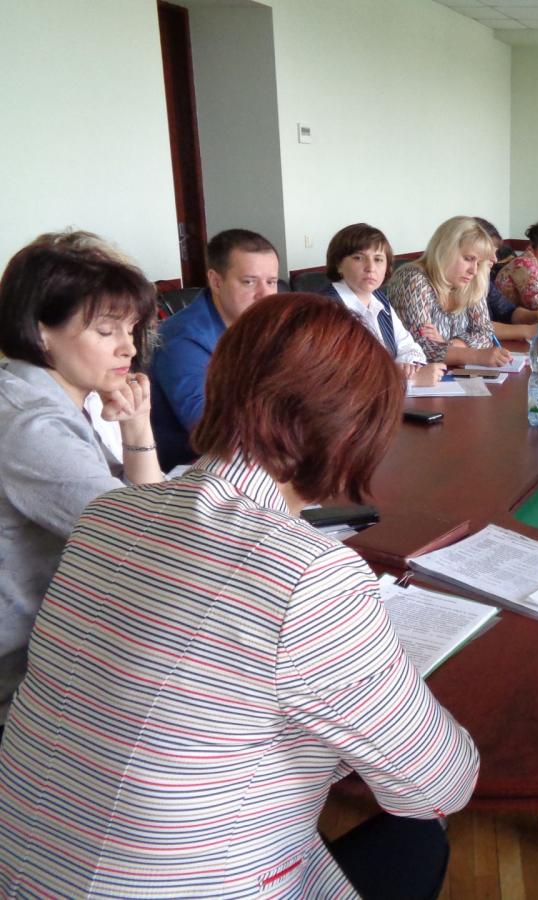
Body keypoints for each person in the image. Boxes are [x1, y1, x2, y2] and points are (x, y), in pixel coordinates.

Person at [0, 294, 480, 898]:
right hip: (175, 883)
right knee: (421, 838)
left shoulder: (109, 515)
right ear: (352, 438)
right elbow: (439, 784)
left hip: (23, 868)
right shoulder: (309, 575)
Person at [0, 232, 162, 734]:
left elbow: (145, 514)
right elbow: (146, 543)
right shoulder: (31, 424)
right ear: (41, 331)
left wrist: (136, 426)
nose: (128, 346)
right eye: (106, 330)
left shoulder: (50, 395)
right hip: (27, 674)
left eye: (131, 328)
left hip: (69, 635)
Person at [150, 228, 279, 469]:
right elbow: (210, 430)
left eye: (271, 282)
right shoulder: (182, 340)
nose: (264, 295)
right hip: (195, 470)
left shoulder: (262, 325)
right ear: (216, 281)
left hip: (257, 455)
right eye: (249, 282)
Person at [322, 222, 445, 386]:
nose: (371, 267)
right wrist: (409, 380)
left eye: (378, 259)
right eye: (358, 258)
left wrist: (408, 367)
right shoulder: (326, 309)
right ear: (338, 264)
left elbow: (410, 348)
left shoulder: (379, 299)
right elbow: (338, 376)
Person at [388, 216, 510, 367]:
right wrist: (476, 355)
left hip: (456, 374)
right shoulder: (412, 279)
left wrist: (448, 344)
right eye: (468, 258)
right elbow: (420, 349)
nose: (474, 270)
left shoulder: (470, 280)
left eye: (478, 263)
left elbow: (486, 333)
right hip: (418, 377)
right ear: (445, 250)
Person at [474, 217, 538, 341]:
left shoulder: (483, 279)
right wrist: (528, 331)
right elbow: (477, 328)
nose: (495, 259)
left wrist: (535, 316)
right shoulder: (461, 282)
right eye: (488, 252)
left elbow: (508, 311)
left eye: (495, 253)